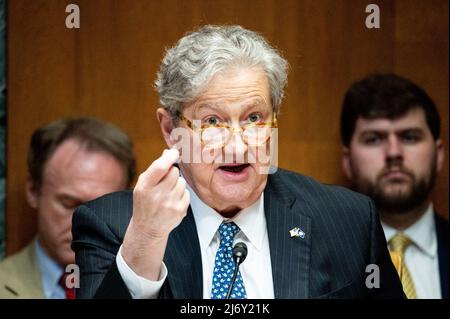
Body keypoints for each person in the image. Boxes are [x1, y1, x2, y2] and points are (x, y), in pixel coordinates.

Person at [72, 25, 404, 299]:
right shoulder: (112, 225)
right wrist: (145, 239)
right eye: (212, 122)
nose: (237, 144)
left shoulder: (349, 221)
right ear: (170, 129)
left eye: (254, 118)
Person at [0, 117, 136, 298]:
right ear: (33, 190)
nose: (83, 222)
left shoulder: (154, 287)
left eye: (102, 207)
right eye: (68, 203)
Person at [340, 73, 448, 299]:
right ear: (348, 162)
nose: (394, 153)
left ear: (439, 155)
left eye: (409, 137)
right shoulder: (321, 259)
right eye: (374, 139)